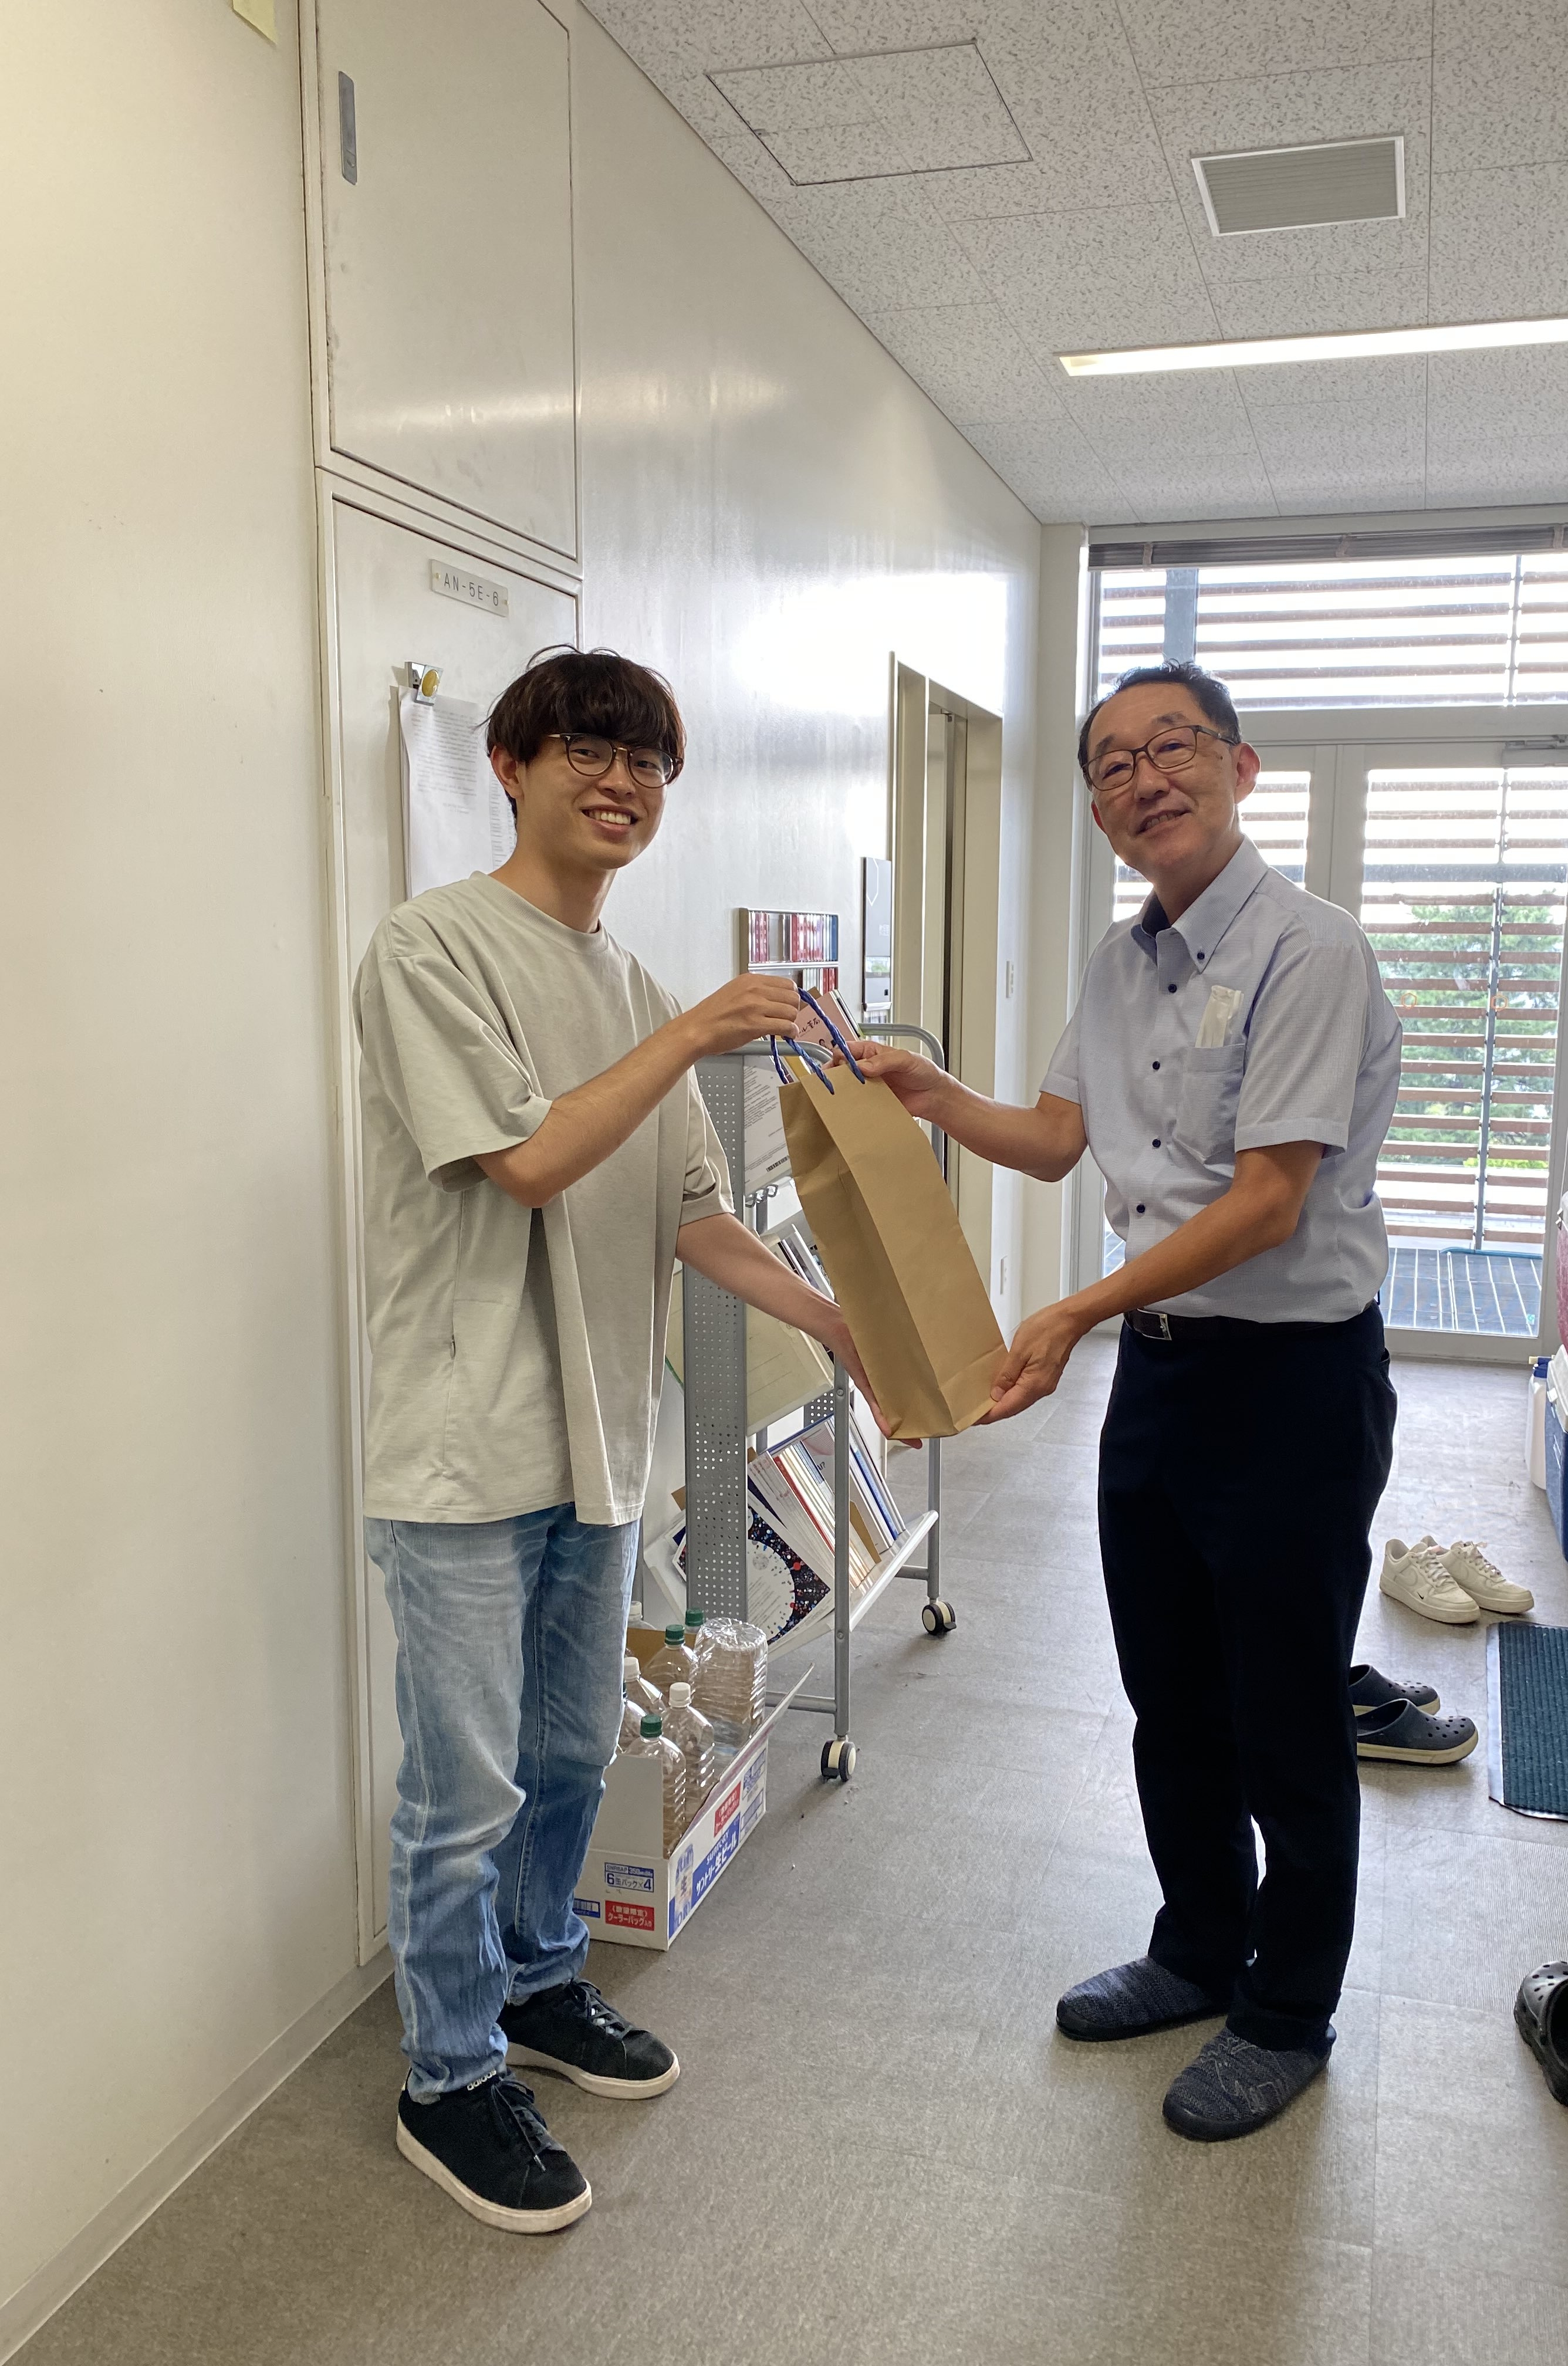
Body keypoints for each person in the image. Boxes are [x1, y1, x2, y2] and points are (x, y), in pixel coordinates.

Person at [354, 646, 874, 2232]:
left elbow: (694, 1216)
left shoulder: (640, 990)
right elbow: (527, 1159)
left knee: (573, 1756)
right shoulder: (430, 949)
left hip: (601, 1446)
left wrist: (843, 1320)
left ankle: (537, 1984)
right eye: (588, 748)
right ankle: (447, 2079)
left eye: (649, 761)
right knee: (464, 1793)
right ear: (510, 767)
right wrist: (697, 1030)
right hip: (464, 1452)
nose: (623, 782)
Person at [856, 660, 1402, 2142]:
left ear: (1240, 765)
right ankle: (1197, 1947)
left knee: (1286, 1711)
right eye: (1112, 764)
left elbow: (1270, 1199)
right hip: (1160, 1377)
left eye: (1173, 747)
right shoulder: (1116, 964)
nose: (1144, 780)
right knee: (1172, 1692)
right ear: (1097, 808)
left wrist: (1073, 1310)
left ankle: (1287, 2011)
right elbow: (1052, 1140)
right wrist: (926, 1091)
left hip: (1292, 1382)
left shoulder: (1311, 951)